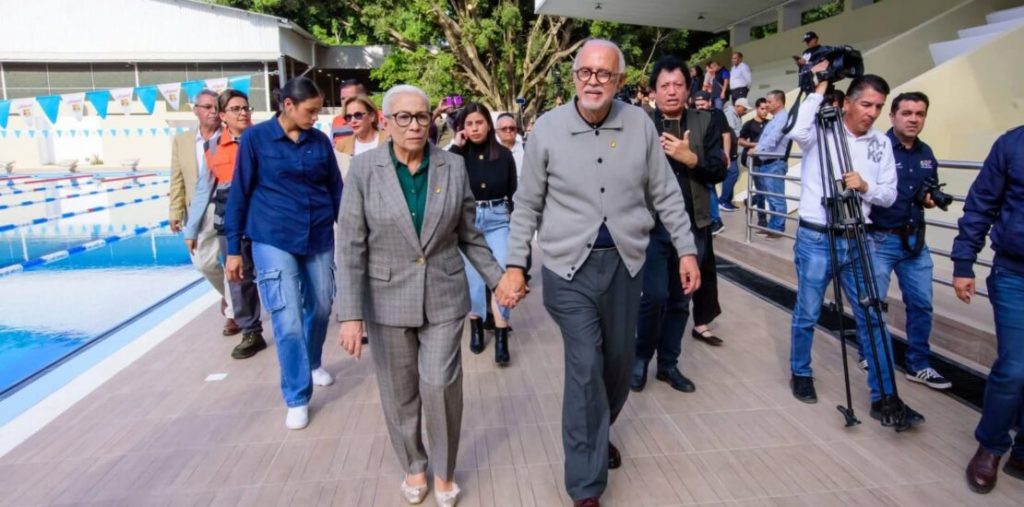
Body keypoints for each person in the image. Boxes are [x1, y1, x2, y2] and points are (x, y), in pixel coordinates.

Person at [496, 39, 701, 507]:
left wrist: (686, 250)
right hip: (567, 269)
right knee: (586, 366)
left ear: (619, 81)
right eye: (585, 72)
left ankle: (597, 428)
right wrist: (515, 265)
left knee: (618, 364)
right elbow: (526, 205)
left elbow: (665, 192)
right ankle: (586, 486)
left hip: (626, 264)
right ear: (574, 77)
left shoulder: (639, 125)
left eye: (604, 74)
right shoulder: (547, 129)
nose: (593, 81)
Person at [336, 84, 505, 507]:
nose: (414, 125)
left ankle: (444, 469)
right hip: (385, 296)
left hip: (444, 293)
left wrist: (498, 279)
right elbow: (351, 245)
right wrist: (350, 315)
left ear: (432, 120)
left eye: (422, 116)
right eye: (404, 117)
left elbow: (469, 234)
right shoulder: (364, 170)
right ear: (386, 121)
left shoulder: (452, 166)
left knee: (440, 383)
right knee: (400, 390)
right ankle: (414, 463)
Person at [787, 69, 924, 429]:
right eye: (866, 104)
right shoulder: (822, 129)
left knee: (872, 316)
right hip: (817, 237)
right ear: (847, 103)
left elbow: (889, 194)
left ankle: (884, 396)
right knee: (808, 311)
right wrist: (818, 87)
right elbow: (797, 131)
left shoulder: (881, 143)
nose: (872, 113)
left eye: (878, 107)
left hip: (858, 237)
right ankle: (801, 372)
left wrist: (864, 186)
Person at [225, 77, 342, 430]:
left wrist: (353, 234)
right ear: (288, 105)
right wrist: (233, 249)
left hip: (318, 234)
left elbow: (336, 190)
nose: (315, 117)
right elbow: (239, 193)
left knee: (321, 305)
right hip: (272, 237)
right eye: (311, 110)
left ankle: (312, 361)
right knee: (287, 319)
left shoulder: (319, 141)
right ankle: (297, 396)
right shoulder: (256, 139)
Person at [632, 55, 726, 395]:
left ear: (688, 89)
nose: (671, 91)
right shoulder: (639, 124)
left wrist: (691, 159)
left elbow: (720, 169)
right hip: (651, 227)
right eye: (664, 85)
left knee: (680, 299)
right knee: (653, 296)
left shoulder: (707, 120)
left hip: (693, 225)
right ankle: (640, 358)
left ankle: (668, 364)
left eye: (678, 85)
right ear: (653, 91)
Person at [953, 125, 1024, 494]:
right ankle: (991, 446)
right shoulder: (1012, 144)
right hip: (1015, 274)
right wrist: (964, 263)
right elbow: (981, 203)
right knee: (1014, 367)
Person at [866, 92, 952, 389]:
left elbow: (927, 190)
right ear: (892, 116)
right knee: (873, 304)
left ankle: (919, 364)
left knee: (921, 304)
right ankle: (872, 354)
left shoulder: (926, 152)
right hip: (879, 239)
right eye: (907, 113)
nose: (914, 119)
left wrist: (929, 199)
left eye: (920, 114)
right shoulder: (876, 147)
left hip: (915, 242)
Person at [183, 90, 265, 360]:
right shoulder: (214, 147)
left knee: (277, 272)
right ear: (222, 115)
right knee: (239, 278)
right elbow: (204, 188)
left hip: (265, 218)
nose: (243, 113)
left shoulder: (264, 138)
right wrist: (191, 229)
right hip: (231, 221)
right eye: (235, 109)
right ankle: (250, 331)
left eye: (246, 107)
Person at [450, 103, 518, 364]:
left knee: (501, 274)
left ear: (489, 125)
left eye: (479, 122)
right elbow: (445, 180)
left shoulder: (504, 155)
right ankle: (476, 324)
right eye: (469, 124)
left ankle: (501, 333)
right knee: (474, 279)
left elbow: (513, 191)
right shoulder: (457, 156)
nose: (475, 128)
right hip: (468, 221)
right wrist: (456, 146)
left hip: (498, 218)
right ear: (462, 128)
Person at [169, 89, 237, 336]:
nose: (213, 112)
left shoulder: (230, 137)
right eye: (207, 107)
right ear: (195, 110)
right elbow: (177, 178)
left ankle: (233, 312)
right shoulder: (182, 141)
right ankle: (229, 296)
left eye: (216, 107)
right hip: (197, 210)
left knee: (232, 259)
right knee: (203, 263)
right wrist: (175, 211)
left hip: (226, 206)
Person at [752, 90, 790, 237]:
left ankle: (777, 228)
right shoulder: (775, 119)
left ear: (779, 103)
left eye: (769, 102)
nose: (766, 105)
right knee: (771, 198)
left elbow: (772, 139)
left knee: (776, 198)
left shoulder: (782, 119)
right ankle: (773, 227)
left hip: (775, 163)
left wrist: (757, 150)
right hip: (768, 163)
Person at [334, 94, 387, 181]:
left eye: (358, 115)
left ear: (372, 116)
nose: (353, 121)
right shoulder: (341, 146)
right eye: (348, 117)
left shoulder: (390, 141)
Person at [738, 98, 769, 226]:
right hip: (754, 161)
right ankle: (762, 219)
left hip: (768, 161)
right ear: (757, 109)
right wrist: (754, 145)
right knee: (761, 189)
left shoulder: (770, 123)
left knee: (766, 190)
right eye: (762, 108)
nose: (765, 111)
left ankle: (750, 201)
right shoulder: (749, 124)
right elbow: (740, 141)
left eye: (767, 109)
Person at [719, 97, 749, 212]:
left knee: (731, 174)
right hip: (729, 151)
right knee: (733, 173)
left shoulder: (735, 115)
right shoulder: (729, 115)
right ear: (738, 106)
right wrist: (745, 137)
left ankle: (727, 201)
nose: (745, 112)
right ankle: (723, 200)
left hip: (733, 150)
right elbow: (731, 133)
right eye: (744, 109)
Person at [330, 78, 368, 144]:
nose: (345, 102)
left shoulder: (381, 118)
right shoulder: (337, 121)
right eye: (343, 98)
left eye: (350, 98)